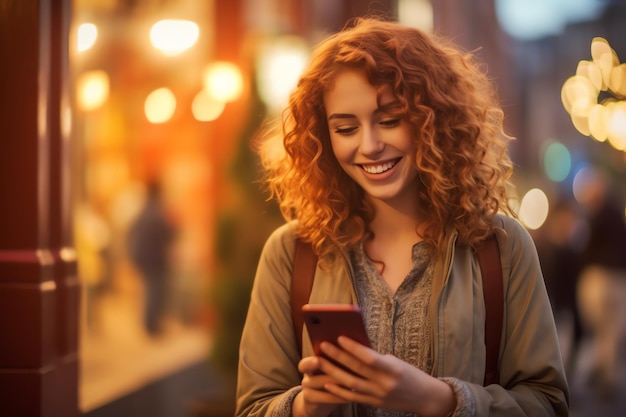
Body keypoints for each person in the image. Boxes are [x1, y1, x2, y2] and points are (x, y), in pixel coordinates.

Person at [236, 17, 569, 417]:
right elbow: (253, 407)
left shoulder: (500, 245)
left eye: (390, 120)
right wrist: (306, 406)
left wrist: (440, 400)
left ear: (434, 120)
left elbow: (547, 403)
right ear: (324, 136)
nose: (370, 146)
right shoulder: (291, 253)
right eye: (345, 128)